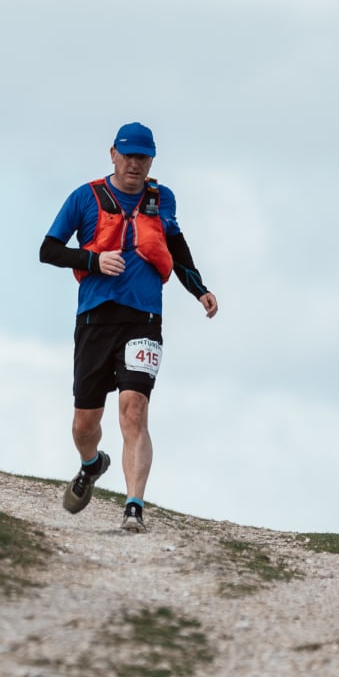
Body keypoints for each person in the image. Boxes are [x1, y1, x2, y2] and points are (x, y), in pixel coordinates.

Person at [39, 121, 217, 534]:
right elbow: (48, 250)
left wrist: (200, 290)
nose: (135, 164)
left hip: (144, 319)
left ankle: (133, 506)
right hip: (95, 319)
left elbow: (176, 248)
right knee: (85, 424)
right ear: (113, 154)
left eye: (143, 157)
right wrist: (93, 260)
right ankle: (91, 464)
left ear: (151, 160)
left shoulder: (162, 198)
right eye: (128, 156)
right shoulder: (85, 197)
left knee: (134, 409)